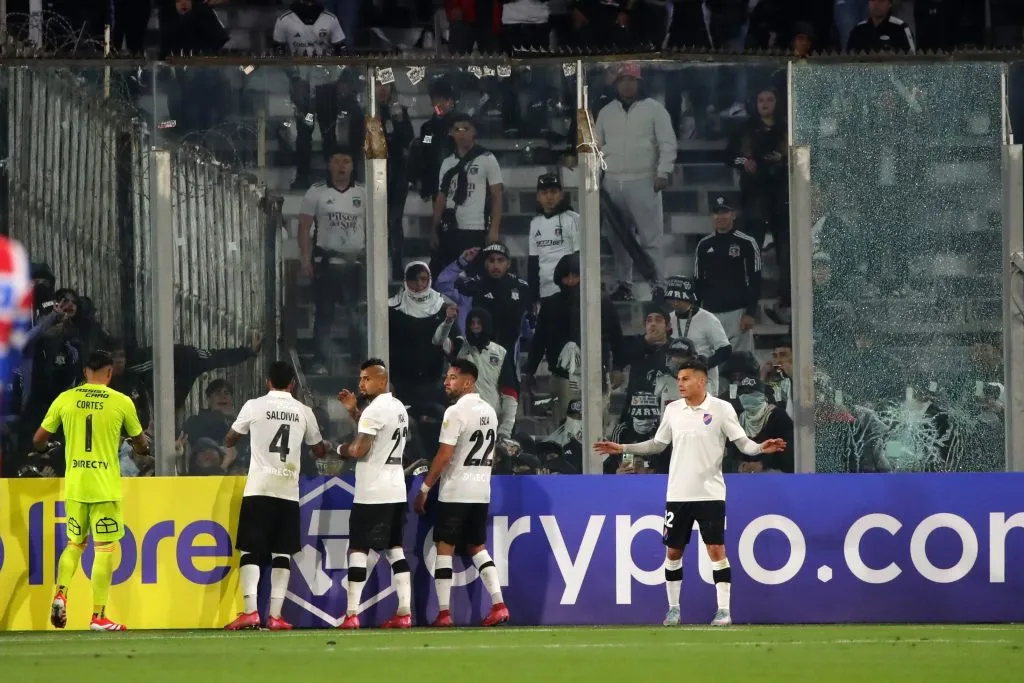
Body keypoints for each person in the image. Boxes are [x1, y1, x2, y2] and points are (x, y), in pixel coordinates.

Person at [594, 356, 786, 627]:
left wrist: (760, 448)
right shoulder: (673, 410)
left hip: (710, 494)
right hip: (678, 495)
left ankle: (723, 610)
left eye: (685, 379)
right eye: (679, 379)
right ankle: (673, 609)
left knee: (716, 550)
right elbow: (658, 444)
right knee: (673, 553)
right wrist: (624, 447)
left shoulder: (721, 409)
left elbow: (743, 444)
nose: (680, 384)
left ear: (702, 380)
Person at [35, 350, 150, 632]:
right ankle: (98, 616)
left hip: (75, 484)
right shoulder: (121, 402)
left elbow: (39, 440)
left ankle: (61, 593)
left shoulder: (65, 398)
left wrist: (48, 449)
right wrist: (138, 447)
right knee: (104, 548)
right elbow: (142, 443)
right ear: (109, 373)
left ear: (85, 371)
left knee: (74, 544)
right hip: (104, 486)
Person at [223, 361, 327, 631]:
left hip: (259, 488)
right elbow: (318, 450)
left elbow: (230, 439)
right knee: (283, 552)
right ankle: (276, 615)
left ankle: (250, 611)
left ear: (268, 382)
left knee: (251, 549)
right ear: (292, 384)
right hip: (287, 490)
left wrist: (243, 434)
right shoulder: (304, 411)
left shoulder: (254, 405)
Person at [413, 359, 509, 627]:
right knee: (478, 547)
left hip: (456, 490)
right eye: (447, 376)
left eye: (453, 377)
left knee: (444, 548)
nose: (447, 381)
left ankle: (444, 613)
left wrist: (424, 488)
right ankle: (499, 604)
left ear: (468, 382)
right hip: (481, 490)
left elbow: (445, 454)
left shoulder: (455, 412)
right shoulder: (489, 411)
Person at [334, 359, 414, 630]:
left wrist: (339, 450)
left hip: (372, 491)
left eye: (366, 379)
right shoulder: (398, 408)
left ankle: (352, 613)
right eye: (361, 378)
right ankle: (404, 611)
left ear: (382, 380)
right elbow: (377, 435)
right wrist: (355, 411)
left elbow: (359, 450)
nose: (361, 383)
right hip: (396, 488)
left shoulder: (374, 410)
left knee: (358, 548)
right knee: (395, 550)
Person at [299, 147, 367, 375]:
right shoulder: (316, 192)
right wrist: (305, 259)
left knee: (356, 316)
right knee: (324, 315)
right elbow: (304, 227)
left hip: (354, 265)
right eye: (337, 161)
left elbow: (374, 228)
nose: (341, 166)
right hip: (326, 263)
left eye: (346, 161)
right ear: (329, 164)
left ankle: (358, 362)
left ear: (352, 165)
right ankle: (321, 361)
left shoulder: (363, 193)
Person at [430, 114, 504, 278]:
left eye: (466, 129)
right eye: (457, 130)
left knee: (473, 278)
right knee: (448, 278)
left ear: (474, 131)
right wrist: (434, 229)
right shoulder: (447, 163)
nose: (461, 134)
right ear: (451, 133)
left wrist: (494, 230)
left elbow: (497, 195)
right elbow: (441, 197)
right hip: (450, 229)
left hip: (475, 229)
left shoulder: (487, 159)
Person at [694, 197, 761, 354]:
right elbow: (698, 281)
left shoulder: (747, 242)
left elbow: (755, 280)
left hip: (737, 314)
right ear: (712, 216)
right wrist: (697, 314)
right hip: (710, 313)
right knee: (710, 362)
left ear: (734, 215)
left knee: (741, 363)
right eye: (717, 213)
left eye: (725, 212)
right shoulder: (703, 245)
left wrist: (750, 313)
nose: (721, 217)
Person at [664, 276, 731, 395]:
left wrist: (703, 364)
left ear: (689, 298)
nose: (675, 302)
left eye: (679, 299)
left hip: (704, 381)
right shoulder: (668, 319)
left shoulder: (708, 319)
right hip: (676, 381)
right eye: (672, 298)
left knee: (706, 414)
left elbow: (725, 350)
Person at [527, 172, 581, 307]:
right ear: (538, 197)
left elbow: (580, 256)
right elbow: (533, 262)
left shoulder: (573, 218)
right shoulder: (534, 223)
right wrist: (533, 297)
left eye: (553, 191)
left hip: (568, 292)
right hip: (544, 293)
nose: (549, 196)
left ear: (561, 195)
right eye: (544, 192)